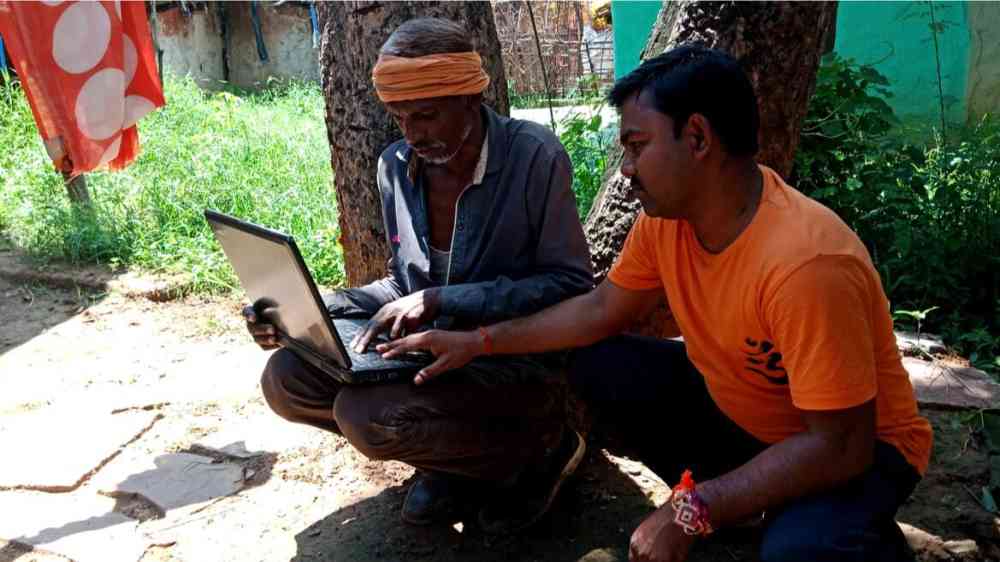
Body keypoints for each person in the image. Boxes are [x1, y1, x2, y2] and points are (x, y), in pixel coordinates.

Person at [378, 45, 933, 562]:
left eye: (637, 146)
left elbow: (841, 447)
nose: (625, 169)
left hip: (859, 453)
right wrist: (478, 342)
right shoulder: (667, 224)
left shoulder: (806, 265)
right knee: (600, 363)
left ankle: (842, 534)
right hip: (752, 418)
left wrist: (694, 509)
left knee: (800, 550)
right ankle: (754, 508)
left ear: (697, 138)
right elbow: (599, 312)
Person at [244, 18, 593, 534]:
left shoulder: (533, 157)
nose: (412, 133)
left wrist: (447, 299)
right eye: (399, 116)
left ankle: (541, 449)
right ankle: (453, 465)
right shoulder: (395, 166)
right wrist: (309, 309)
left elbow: (571, 286)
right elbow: (400, 286)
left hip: (508, 361)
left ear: (471, 97)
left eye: (426, 115)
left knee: (366, 417)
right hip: (431, 360)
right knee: (285, 380)